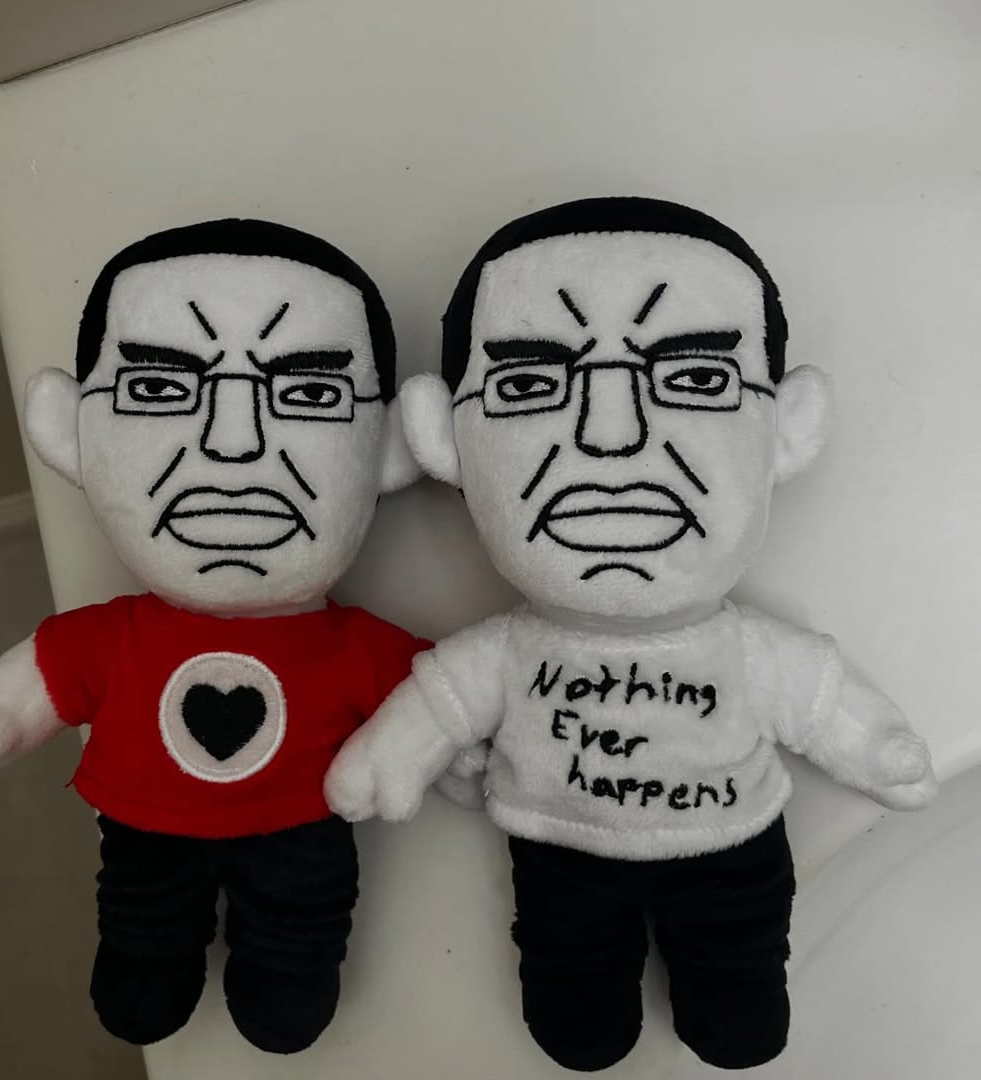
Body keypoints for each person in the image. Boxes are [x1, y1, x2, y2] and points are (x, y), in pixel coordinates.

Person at [325, 197, 936, 1071]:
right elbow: (446, 697)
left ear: (786, 431)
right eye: (530, 385)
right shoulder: (511, 650)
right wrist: (396, 754)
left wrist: (876, 748)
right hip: (560, 851)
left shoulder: (741, 648)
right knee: (573, 994)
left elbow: (819, 697)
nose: (611, 437)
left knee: (740, 975)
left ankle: (729, 996)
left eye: (694, 378)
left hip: (730, 847)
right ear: (444, 439)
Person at [0, 219, 428, 1053]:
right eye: (163, 389)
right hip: (148, 827)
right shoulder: (117, 635)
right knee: (142, 913)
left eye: (307, 394)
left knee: (301, 921)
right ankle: (151, 959)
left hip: (302, 830)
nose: (233, 446)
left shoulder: (354, 647)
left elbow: (439, 701)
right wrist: (1, 717)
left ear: (386, 448)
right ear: (71, 434)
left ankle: (285, 973)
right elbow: (46, 675)